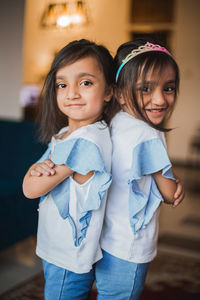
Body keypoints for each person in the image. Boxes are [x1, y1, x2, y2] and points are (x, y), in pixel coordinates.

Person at [22, 39, 115, 300]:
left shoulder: (85, 143)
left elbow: (30, 188)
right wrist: (35, 169)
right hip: (58, 247)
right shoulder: (65, 134)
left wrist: (34, 170)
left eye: (85, 82)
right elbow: (34, 176)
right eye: (62, 84)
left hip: (68, 254)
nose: (72, 93)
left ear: (109, 90)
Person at [95, 39, 185, 300]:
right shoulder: (149, 133)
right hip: (130, 247)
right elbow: (169, 194)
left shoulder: (113, 122)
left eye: (168, 88)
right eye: (146, 88)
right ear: (120, 93)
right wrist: (175, 182)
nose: (159, 99)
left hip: (103, 239)